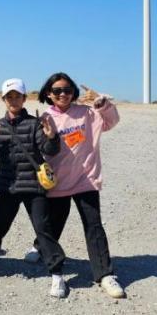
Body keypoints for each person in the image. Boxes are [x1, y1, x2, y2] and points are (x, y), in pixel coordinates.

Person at [0, 78, 69, 298]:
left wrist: (52, 137)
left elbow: (49, 150)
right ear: (3, 100)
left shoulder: (34, 124)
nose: (13, 100)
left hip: (33, 186)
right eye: (9, 97)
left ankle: (56, 273)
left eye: (17, 96)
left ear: (24, 99)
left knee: (43, 228)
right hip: (9, 186)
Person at [31, 72, 125, 299]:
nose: (63, 94)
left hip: (86, 180)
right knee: (54, 223)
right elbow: (40, 148)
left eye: (67, 90)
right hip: (58, 182)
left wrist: (102, 103)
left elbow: (111, 121)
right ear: (48, 94)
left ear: (73, 92)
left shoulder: (87, 113)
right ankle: (39, 247)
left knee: (94, 226)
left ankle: (105, 274)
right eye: (57, 91)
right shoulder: (45, 117)